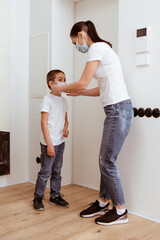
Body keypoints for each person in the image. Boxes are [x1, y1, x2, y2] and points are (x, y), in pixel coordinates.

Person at [51, 20, 134, 226]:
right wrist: (79, 92)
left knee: (106, 161)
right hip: (116, 109)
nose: (77, 47)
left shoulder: (96, 47)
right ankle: (103, 201)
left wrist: (59, 88)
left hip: (117, 109)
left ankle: (120, 210)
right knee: (106, 159)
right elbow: (99, 88)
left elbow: (83, 81)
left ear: (81, 35)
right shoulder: (104, 49)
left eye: (74, 42)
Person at [33, 69, 69, 211]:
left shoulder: (64, 101)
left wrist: (66, 129)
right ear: (51, 83)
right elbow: (43, 123)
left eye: (65, 79)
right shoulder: (47, 100)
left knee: (57, 170)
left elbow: (65, 120)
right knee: (45, 171)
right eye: (60, 79)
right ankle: (38, 197)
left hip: (60, 142)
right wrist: (49, 144)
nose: (64, 81)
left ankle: (55, 195)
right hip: (49, 142)